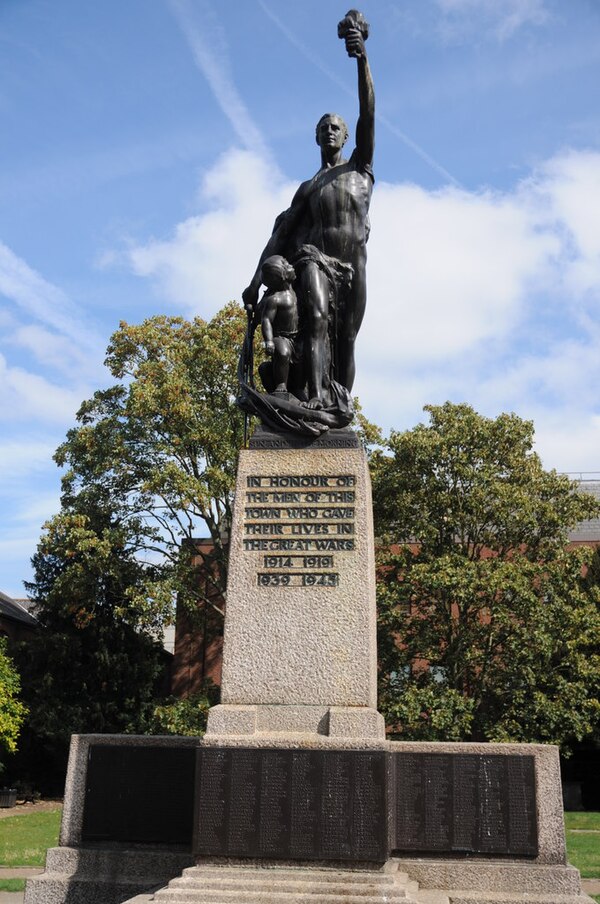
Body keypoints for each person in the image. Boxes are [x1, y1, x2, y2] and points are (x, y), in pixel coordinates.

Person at [242, 15, 374, 410]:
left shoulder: (360, 168)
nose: (331, 131)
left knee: (346, 337)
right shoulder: (308, 188)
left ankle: (338, 404)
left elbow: (368, 111)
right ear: (316, 136)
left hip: (354, 266)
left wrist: (361, 58)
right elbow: (281, 236)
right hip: (316, 261)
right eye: (324, 127)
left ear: (347, 136)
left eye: (336, 127)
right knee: (315, 320)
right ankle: (313, 398)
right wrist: (254, 281)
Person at [259, 255, 301, 394]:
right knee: (283, 353)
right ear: (281, 276)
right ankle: (281, 384)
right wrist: (269, 341)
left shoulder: (297, 293)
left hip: (297, 337)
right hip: (281, 337)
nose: (291, 266)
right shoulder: (275, 299)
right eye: (287, 265)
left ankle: (300, 389)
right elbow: (266, 320)